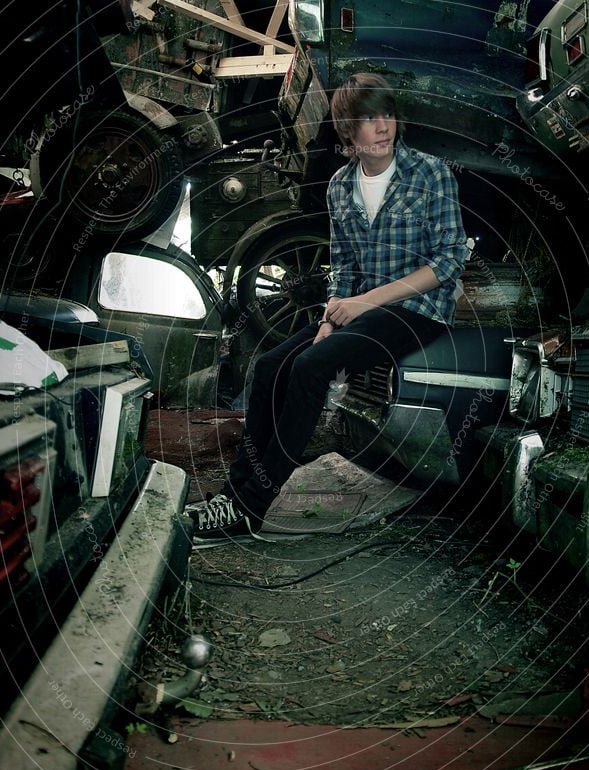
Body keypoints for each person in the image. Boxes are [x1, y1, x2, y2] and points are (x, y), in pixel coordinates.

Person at [186, 72, 467, 547]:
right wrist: (328, 319)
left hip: (418, 310)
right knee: (272, 365)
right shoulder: (340, 186)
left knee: (312, 367)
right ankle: (233, 494)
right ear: (347, 131)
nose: (382, 127)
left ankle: (250, 509)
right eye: (367, 119)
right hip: (361, 311)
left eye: (387, 114)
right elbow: (344, 268)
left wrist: (361, 304)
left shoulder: (430, 173)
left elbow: (450, 260)